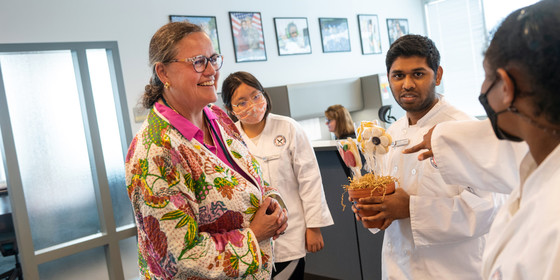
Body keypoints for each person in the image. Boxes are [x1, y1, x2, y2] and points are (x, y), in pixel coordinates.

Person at [404, 1, 560, 279]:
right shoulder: (539, 160)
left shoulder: (550, 223)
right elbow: (502, 151)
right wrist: (442, 140)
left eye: (486, 76)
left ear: (505, 86)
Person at [125, 22, 288, 279]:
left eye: (213, 59)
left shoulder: (218, 118)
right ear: (163, 72)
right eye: (198, 61)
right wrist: (255, 235)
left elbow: (252, 178)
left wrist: (274, 205)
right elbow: (178, 258)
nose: (212, 70)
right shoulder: (156, 151)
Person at [353, 34, 505, 279]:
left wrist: (412, 208)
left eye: (418, 74)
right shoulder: (391, 134)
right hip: (398, 267)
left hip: (453, 269)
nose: (407, 84)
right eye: (398, 76)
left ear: (439, 74)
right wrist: (375, 209)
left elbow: (487, 208)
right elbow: (388, 198)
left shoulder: (462, 128)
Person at [221, 71, 334, 280]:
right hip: (250, 239)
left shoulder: (288, 128)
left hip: (291, 233)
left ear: (264, 95)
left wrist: (314, 227)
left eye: (256, 96)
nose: (252, 105)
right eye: (242, 102)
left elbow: (309, 180)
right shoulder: (228, 138)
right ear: (230, 109)